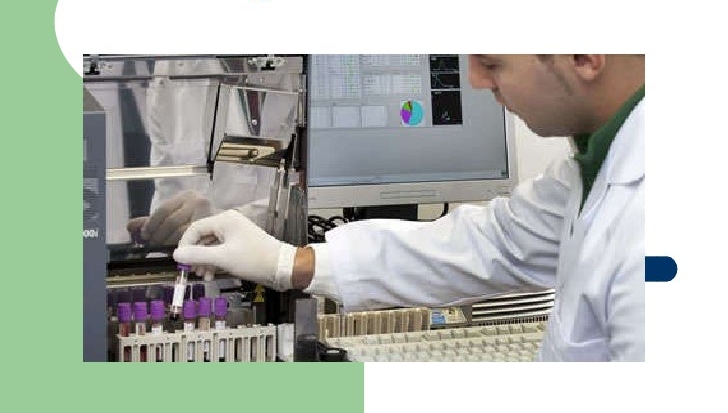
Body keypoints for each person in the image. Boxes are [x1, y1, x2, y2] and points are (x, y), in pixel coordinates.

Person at [173, 54, 645, 361]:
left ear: (584, 55)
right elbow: (495, 242)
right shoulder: (594, 163)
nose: (475, 80)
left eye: (491, 63)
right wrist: (287, 262)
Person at [126, 57, 299, 245]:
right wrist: (161, 231)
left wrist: (225, 223)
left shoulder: (307, 72)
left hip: (284, 254)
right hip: (198, 256)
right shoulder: (173, 70)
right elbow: (168, 189)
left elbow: (310, 203)